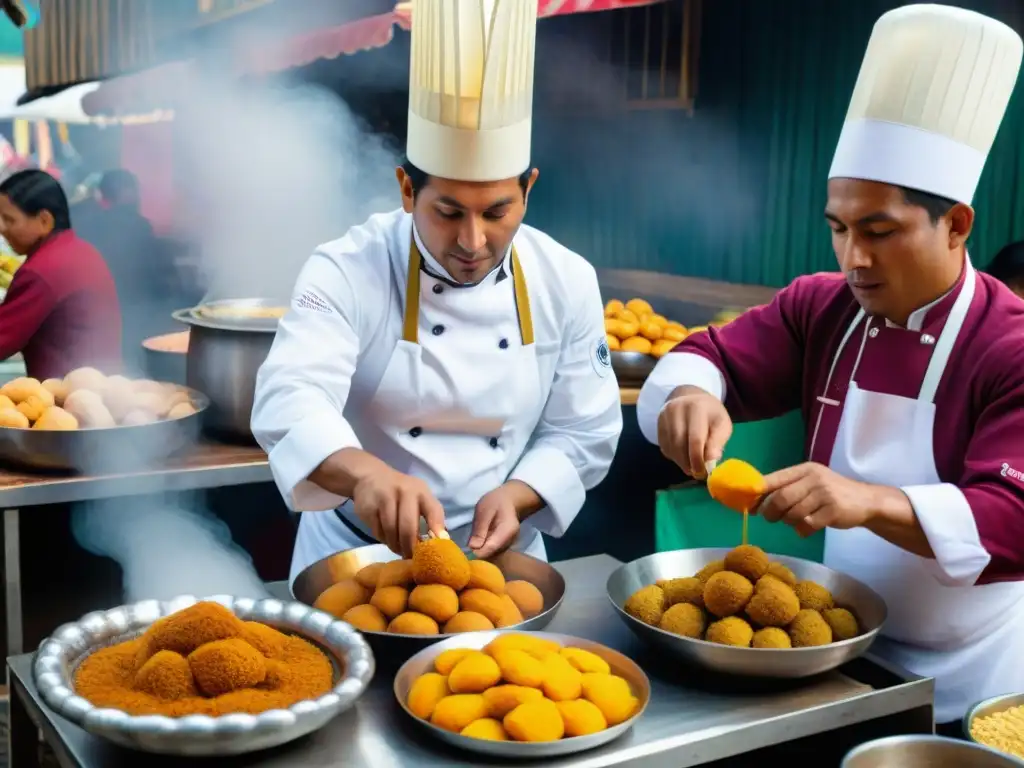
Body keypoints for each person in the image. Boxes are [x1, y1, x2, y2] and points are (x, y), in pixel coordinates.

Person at [637, 4, 1024, 731]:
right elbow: (708, 354)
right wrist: (690, 393)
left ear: (957, 223)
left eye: (880, 232)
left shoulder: (1010, 345)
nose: (854, 259)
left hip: (977, 678)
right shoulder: (822, 308)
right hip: (841, 658)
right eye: (839, 229)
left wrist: (868, 501)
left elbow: (1015, 519)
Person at [252, 0, 622, 586]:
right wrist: (365, 475)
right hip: (356, 561)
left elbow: (585, 431)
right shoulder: (346, 268)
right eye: (448, 212)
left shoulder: (566, 279)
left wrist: (523, 494)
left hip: (502, 566)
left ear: (529, 189)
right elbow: (290, 398)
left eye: (498, 211)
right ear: (406, 189)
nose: (473, 241)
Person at [0, 169, 121, 380]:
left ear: (44, 221)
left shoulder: (42, 270)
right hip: (104, 386)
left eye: (9, 220)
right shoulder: (81, 250)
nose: (2, 228)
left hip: (65, 400)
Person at [75, 170, 168, 372]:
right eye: (134, 190)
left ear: (102, 195)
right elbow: (156, 276)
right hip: (134, 312)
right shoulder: (141, 226)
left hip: (96, 315)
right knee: (132, 367)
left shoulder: (85, 224)